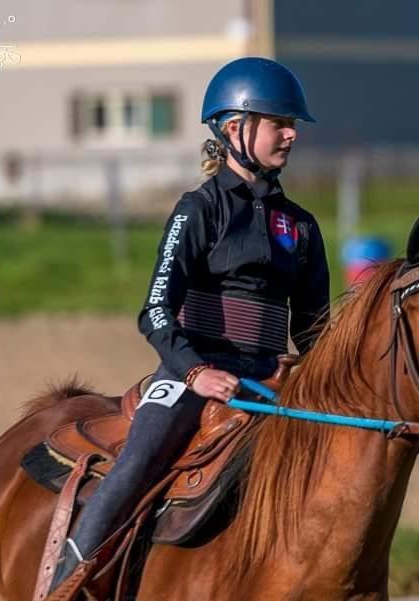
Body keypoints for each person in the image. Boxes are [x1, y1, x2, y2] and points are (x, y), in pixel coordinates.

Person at [49, 57, 330, 589]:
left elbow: (316, 329)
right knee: (138, 464)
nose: (292, 134)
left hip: (272, 377)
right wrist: (196, 372)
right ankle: (67, 581)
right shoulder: (197, 210)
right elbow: (154, 311)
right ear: (235, 129)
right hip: (188, 377)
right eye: (279, 122)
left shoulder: (302, 226)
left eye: (293, 124)